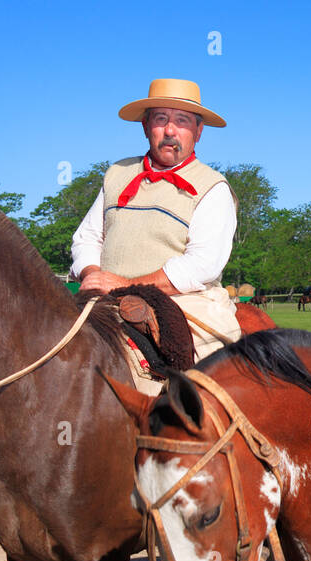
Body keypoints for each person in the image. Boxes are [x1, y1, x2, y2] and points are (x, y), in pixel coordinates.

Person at [70, 78, 240, 359]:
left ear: (198, 131)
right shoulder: (117, 173)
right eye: (161, 119)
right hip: (105, 302)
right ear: (145, 126)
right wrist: (93, 277)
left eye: (182, 121)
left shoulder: (212, 186)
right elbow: (87, 237)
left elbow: (201, 266)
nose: (170, 130)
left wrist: (123, 285)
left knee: (202, 383)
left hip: (184, 303)